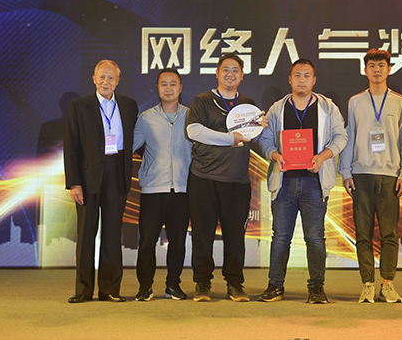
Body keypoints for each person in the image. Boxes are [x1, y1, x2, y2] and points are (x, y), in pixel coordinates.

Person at [257, 58, 347, 304]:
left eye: (307, 76)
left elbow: (341, 137)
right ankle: (275, 285)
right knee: (280, 237)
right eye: (297, 75)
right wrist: (274, 155)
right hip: (283, 182)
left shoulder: (328, 107)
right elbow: (265, 139)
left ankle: (316, 287)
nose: (302, 80)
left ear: (314, 80)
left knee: (315, 237)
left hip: (314, 182)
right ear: (289, 79)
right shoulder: (277, 108)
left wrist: (322, 157)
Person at [186, 53, 263, 302]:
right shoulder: (203, 100)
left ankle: (235, 283)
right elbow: (193, 131)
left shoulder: (248, 104)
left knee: (235, 237)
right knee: (202, 235)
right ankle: (202, 282)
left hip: (237, 180)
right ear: (217, 73)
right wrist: (230, 138)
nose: (230, 74)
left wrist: (261, 125)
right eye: (226, 69)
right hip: (203, 178)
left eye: (235, 70)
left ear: (242, 75)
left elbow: (254, 138)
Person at [338, 49, 402, 303]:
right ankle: (367, 283)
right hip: (361, 175)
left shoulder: (400, 102)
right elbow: (348, 137)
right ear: (365, 70)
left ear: (389, 69)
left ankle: (388, 283)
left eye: (381, 65)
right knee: (363, 233)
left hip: (390, 176)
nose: (377, 70)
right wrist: (346, 171)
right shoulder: (356, 101)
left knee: (389, 234)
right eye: (372, 66)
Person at [64, 60, 138, 303]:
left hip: (117, 171)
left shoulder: (129, 105)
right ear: (94, 79)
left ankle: (110, 289)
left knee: (113, 233)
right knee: (86, 234)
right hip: (87, 177)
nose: (106, 82)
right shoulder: (79, 106)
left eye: (111, 78)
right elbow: (71, 147)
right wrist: (74, 182)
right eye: (102, 77)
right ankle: (83, 290)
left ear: (118, 81)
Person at [132, 68, 193, 301]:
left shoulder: (191, 116)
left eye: (173, 84)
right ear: (157, 88)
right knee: (147, 242)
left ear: (181, 87)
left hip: (182, 189)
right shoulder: (146, 118)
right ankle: (145, 286)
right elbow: (130, 146)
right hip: (152, 189)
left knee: (178, 242)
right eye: (163, 84)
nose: (168, 89)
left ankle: (173, 285)